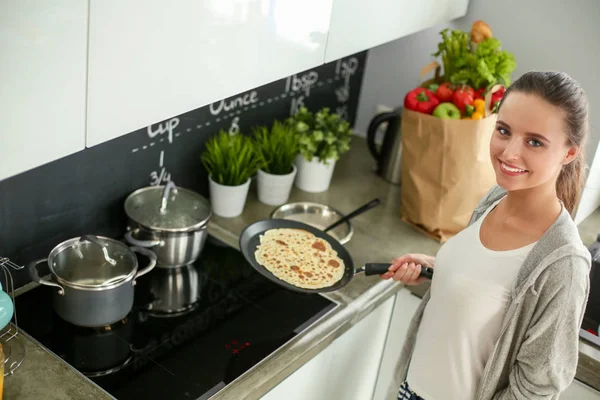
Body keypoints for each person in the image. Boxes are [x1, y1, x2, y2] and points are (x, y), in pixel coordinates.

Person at [381, 71, 592, 400]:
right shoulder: (495, 199)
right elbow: (494, 286)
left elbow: (538, 388)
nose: (509, 152)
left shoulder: (563, 264)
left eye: (534, 142)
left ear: (569, 153)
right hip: (410, 389)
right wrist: (438, 267)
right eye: (504, 131)